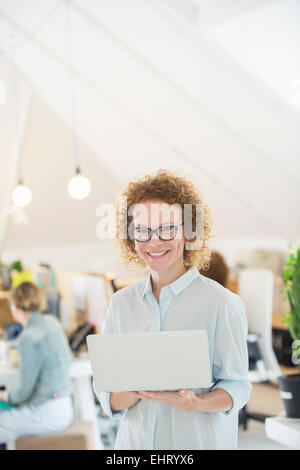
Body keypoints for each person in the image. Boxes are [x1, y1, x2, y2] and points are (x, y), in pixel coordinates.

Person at [95, 169, 252, 450]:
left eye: (167, 228)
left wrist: (197, 403)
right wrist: (130, 390)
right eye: (142, 230)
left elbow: (238, 386)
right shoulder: (121, 304)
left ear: (188, 231)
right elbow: (106, 392)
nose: (153, 241)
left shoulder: (222, 304)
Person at [0, 282, 74, 445]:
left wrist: (4, 395)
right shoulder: (51, 322)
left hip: (46, 413)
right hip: (65, 407)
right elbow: (68, 359)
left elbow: (23, 393)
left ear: (15, 305)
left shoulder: (28, 338)